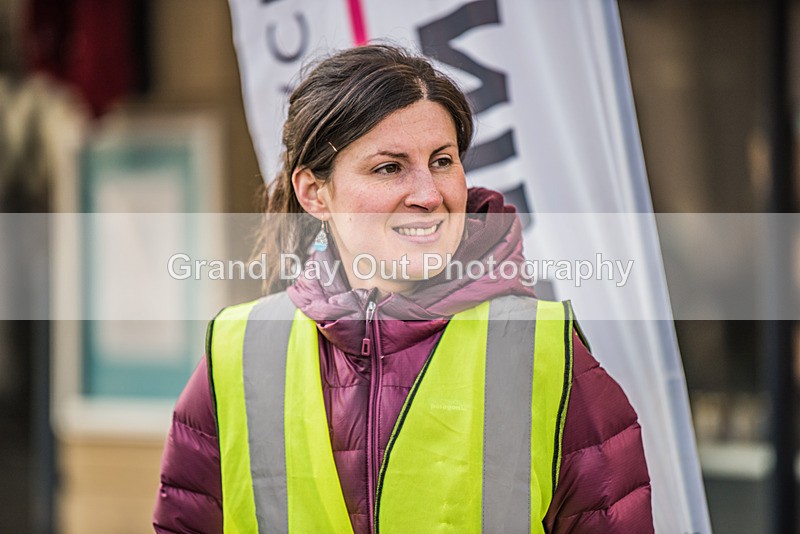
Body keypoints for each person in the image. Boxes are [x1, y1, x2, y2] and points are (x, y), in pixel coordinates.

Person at [153, 45, 653, 533]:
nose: (429, 195)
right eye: (389, 167)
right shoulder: (238, 353)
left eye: (442, 160)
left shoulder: (543, 349)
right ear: (313, 192)